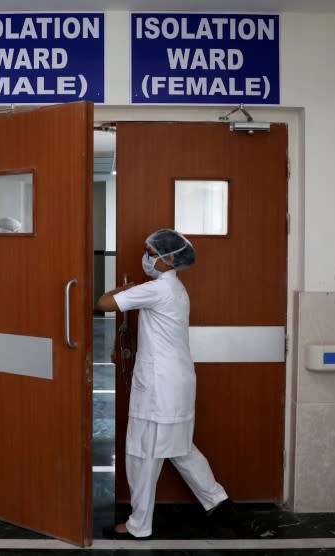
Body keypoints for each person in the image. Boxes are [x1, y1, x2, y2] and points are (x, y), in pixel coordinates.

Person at [97, 229, 229, 540]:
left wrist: (125, 287)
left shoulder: (157, 289)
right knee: (179, 447)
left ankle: (138, 526)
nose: (146, 258)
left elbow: (103, 303)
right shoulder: (176, 289)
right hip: (177, 381)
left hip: (159, 385)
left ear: (169, 258)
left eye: (150, 252)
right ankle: (216, 498)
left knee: (143, 454)